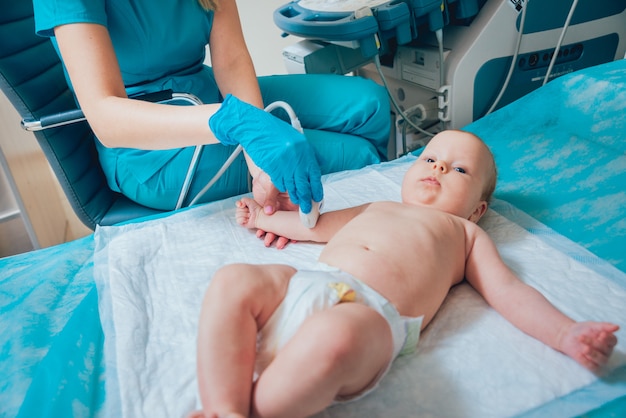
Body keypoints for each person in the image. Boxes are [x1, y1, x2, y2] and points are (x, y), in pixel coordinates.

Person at [193, 130, 619, 418]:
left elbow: (508, 291)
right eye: (430, 158)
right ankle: (222, 405)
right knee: (234, 279)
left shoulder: (465, 234)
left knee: (335, 337)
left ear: (478, 209)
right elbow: (314, 228)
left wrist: (566, 333)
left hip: (371, 316)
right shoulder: (378, 206)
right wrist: (261, 220)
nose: (438, 168)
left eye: (459, 170)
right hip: (311, 284)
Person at [32, 0, 390, 221]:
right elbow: (106, 117)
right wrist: (238, 123)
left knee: (370, 104)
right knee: (355, 154)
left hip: (210, 95)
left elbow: (232, 61)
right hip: (150, 144)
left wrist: (257, 161)